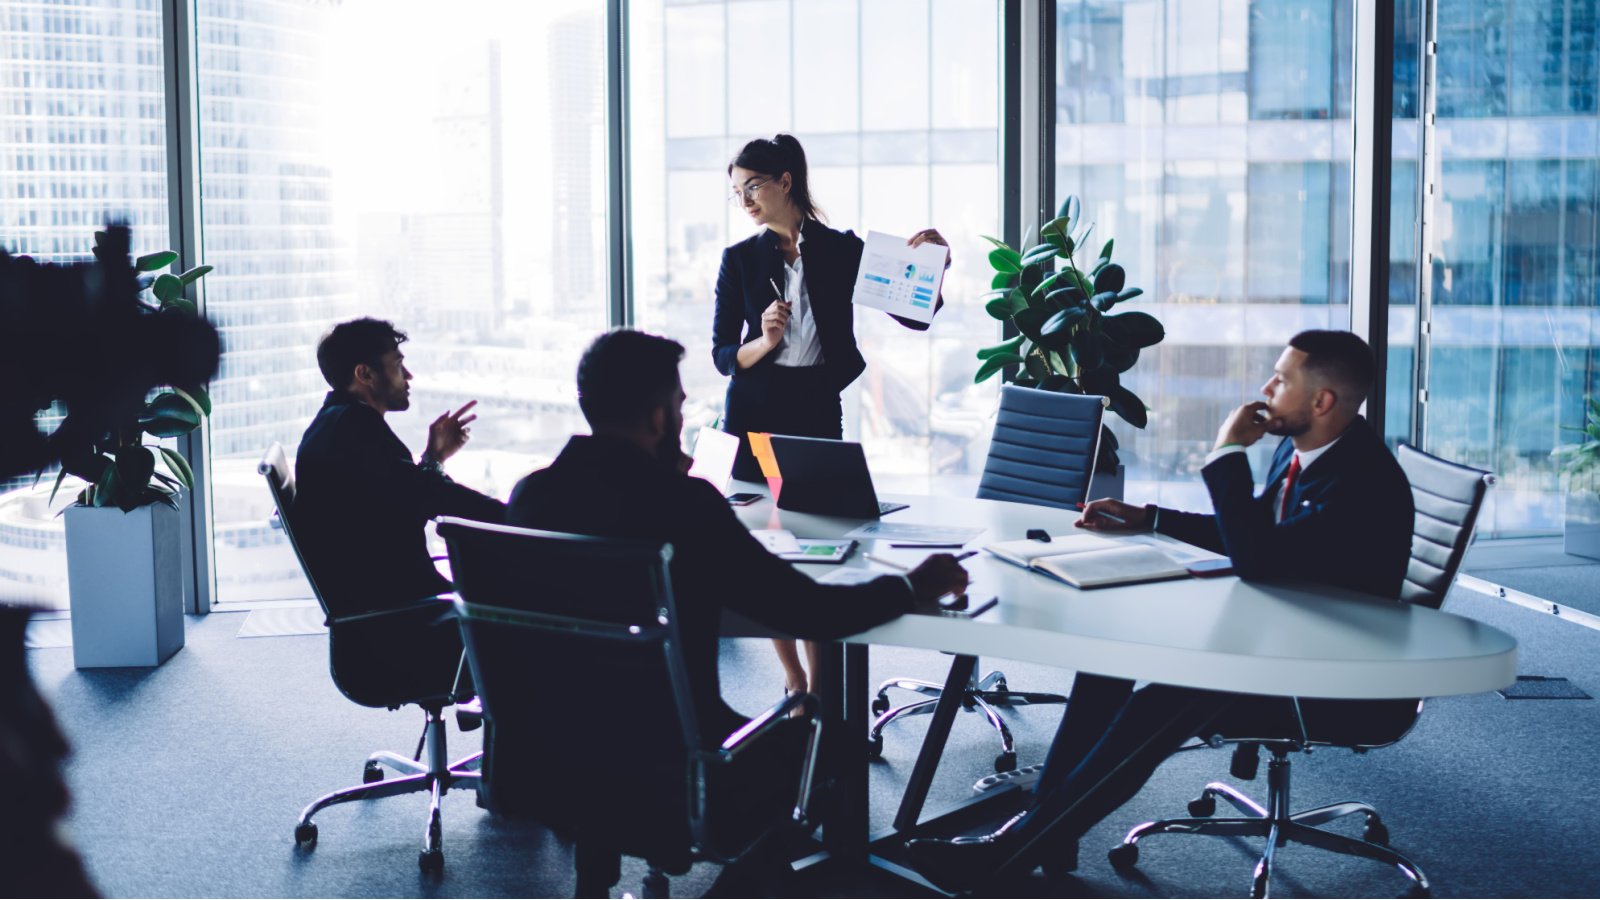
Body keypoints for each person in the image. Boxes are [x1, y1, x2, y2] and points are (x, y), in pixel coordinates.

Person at [907, 330, 1416, 893]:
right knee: (1106, 659)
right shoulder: (1312, 452)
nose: (1266, 387)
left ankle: (1009, 854)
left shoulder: (1359, 482)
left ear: (1322, 402)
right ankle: (1042, 834)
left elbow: (1256, 558)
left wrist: (1227, 452)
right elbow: (1258, 538)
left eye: (1282, 378)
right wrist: (1148, 518)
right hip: (1281, 636)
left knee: (1163, 700)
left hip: (1328, 675)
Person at [508, 328, 970, 743]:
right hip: (690, 769)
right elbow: (811, 612)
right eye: (678, 406)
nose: (680, 418)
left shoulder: (529, 496)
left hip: (556, 760)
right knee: (837, 746)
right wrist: (912, 586)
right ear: (657, 420)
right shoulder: (686, 507)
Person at [714, 132, 951, 699]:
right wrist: (764, 341)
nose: (745, 200)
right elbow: (725, 357)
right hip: (754, 412)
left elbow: (916, 317)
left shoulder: (842, 249)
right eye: (737, 192)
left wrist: (937, 264)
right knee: (770, 546)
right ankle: (795, 679)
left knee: (819, 540)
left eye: (753, 186)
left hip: (816, 407)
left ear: (785, 182)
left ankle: (820, 683)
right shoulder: (739, 260)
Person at [294, 318, 506, 694]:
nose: (408, 375)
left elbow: (409, 494)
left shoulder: (338, 425)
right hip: (403, 635)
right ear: (365, 374)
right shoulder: (355, 432)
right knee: (544, 631)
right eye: (397, 364)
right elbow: (435, 499)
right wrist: (517, 515)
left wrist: (433, 459)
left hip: (386, 620)